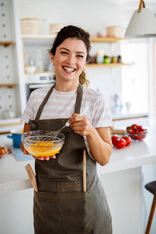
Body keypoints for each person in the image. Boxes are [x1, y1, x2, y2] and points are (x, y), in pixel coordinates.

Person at [21, 25, 113, 234]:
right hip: (45, 201)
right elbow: (25, 143)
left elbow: (105, 158)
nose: (71, 61)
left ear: (85, 61)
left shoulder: (95, 100)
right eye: (64, 52)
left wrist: (90, 131)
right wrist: (36, 149)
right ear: (52, 56)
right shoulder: (37, 98)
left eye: (79, 56)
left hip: (85, 203)